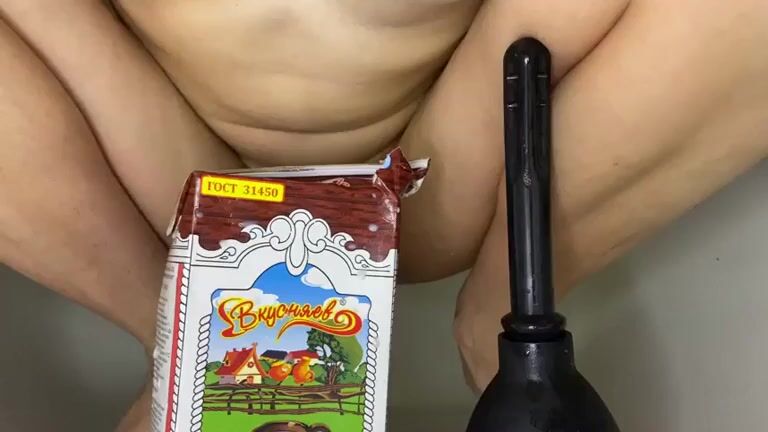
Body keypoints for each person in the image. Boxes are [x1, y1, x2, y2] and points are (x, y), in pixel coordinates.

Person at [1, 1, 767, 429]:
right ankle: (177, 342)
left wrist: (512, 255)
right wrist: (194, 307)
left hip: (433, 175)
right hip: (163, 174)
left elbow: (533, 24)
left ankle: (502, 320)